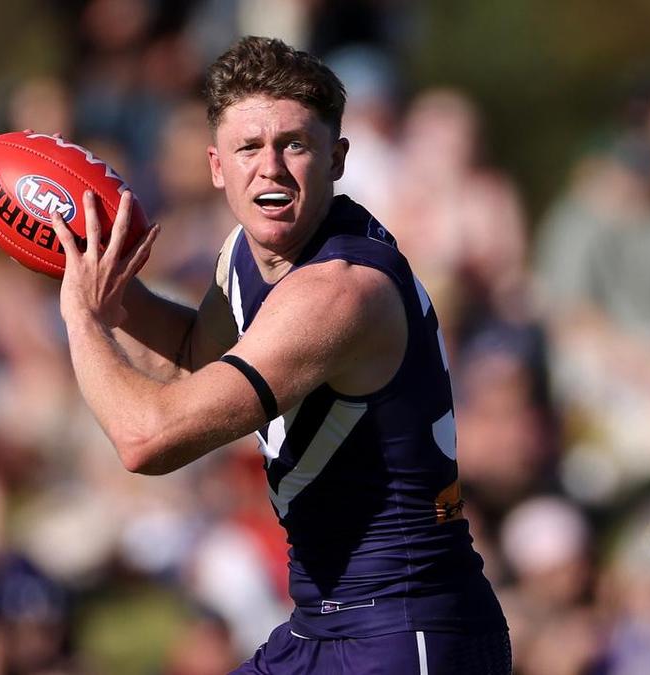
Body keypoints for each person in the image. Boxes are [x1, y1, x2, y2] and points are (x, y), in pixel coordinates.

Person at [51, 36, 511, 673]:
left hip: (406, 631)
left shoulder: (340, 292)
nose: (270, 168)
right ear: (217, 166)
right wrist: (97, 272)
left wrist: (80, 314)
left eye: (294, 144)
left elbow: (147, 439)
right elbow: (190, 361)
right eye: (248, 148)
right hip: (321, 625)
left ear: (337, 158)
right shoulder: (244, 253)